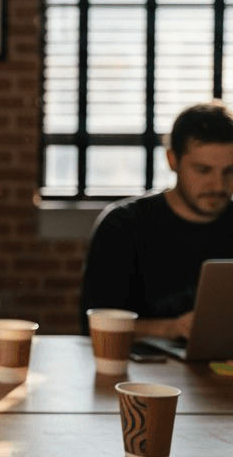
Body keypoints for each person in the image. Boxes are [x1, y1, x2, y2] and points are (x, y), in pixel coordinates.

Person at [80, 100, 233, 339]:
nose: (218, 185)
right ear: (173, 161)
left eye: (229, 171)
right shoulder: (123, 225)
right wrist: (171, 328)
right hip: (139, 371)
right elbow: (95, 324)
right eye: (203, 170)